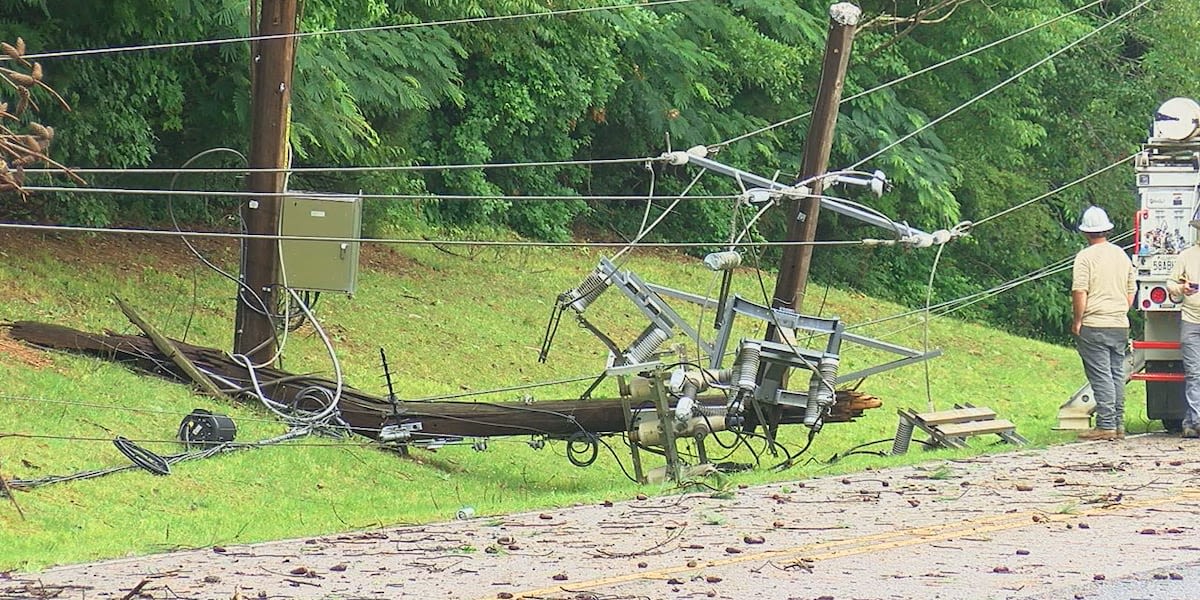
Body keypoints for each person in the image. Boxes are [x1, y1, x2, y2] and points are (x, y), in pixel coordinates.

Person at [1071, 205, 1135, 441]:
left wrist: (1078, 320)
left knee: (1101, 375)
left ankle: (1106, 424)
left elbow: (1080, 292)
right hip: (1119, 323)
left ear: (1086, 233)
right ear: (1107, 230)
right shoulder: (1121, 254)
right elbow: (1131, 290)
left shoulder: (1085, 257)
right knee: (1117, 372)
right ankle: (1118, 423)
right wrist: (1119, 310)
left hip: (1095, 323)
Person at [1166, 218, 1200, 438]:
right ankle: (1197, 420)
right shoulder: (1187, 256)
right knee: (1194, 372)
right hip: (1191, 319)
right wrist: (1181, 287)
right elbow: (1170, 284)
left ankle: (1191, 421)